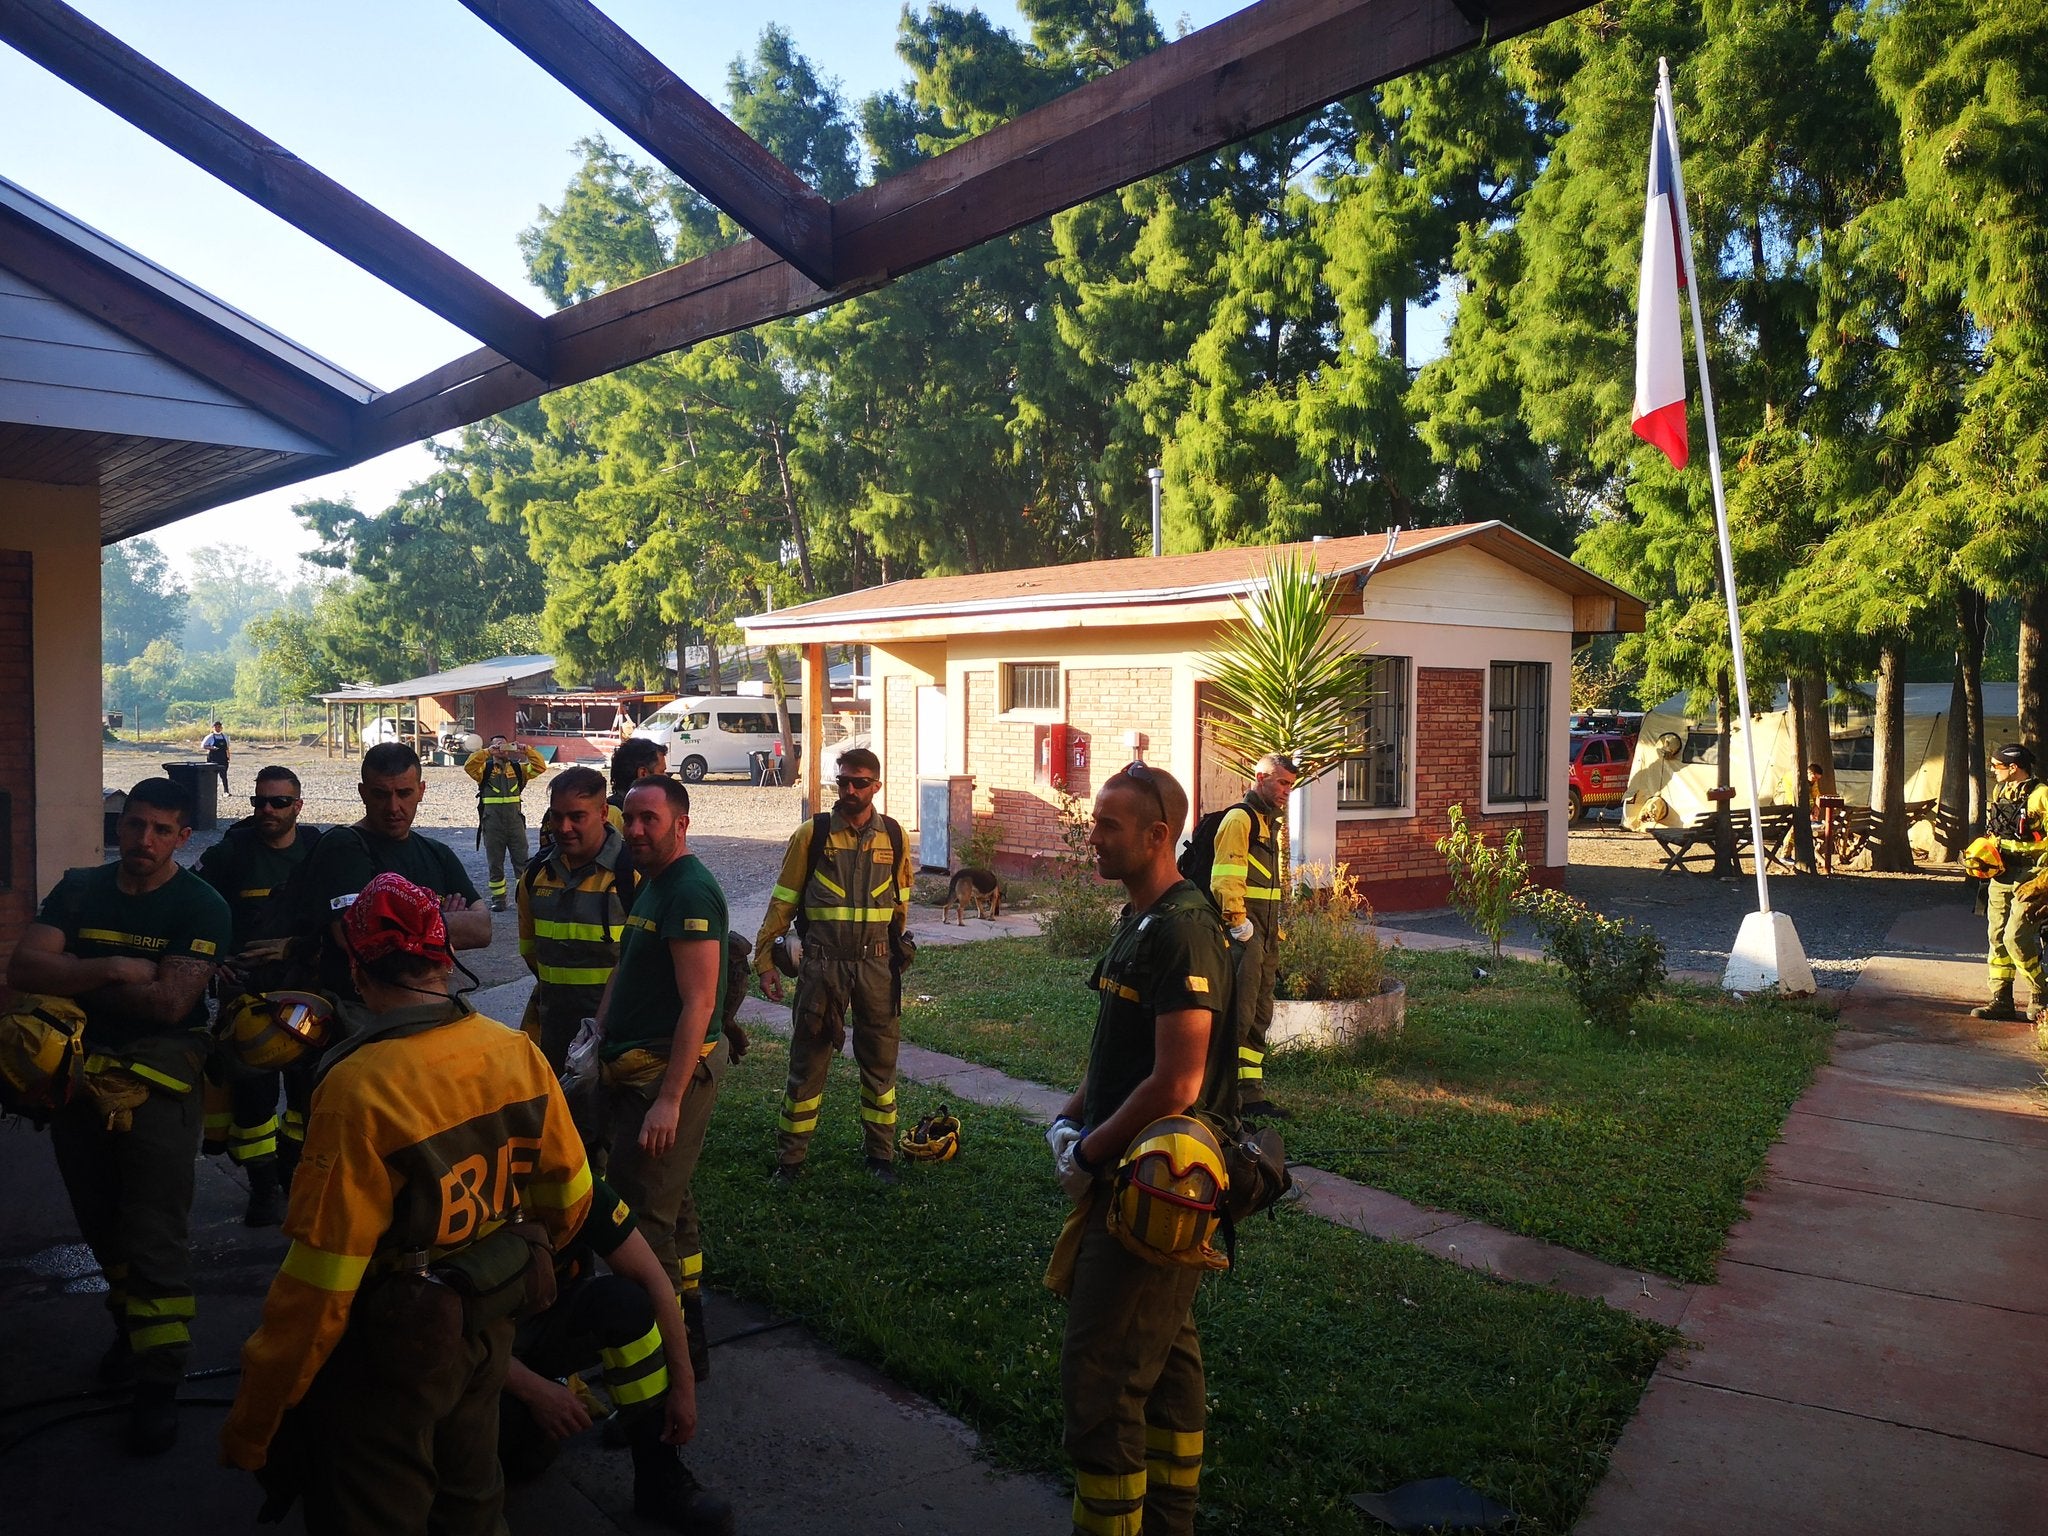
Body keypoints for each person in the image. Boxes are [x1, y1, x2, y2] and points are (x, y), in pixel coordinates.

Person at [220, 874, 594, 1534]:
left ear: (359, 968)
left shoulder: (355, 1088)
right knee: (473, 1503)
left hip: (388, 1361)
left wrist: (257, 1422)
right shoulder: (517, 1055)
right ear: (445, 959)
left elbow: (319, 1288)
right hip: (484, 1332)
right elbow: (569, 1203)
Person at [6, 776, 232, 1454]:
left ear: (182, 838)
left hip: (161, 1082)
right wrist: (111, 967)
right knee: (100, 1222)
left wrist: (72, 966)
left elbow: (170, 1006)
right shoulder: (80, 887)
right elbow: (23, 968)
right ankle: (131, 1330)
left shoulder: (202, 906)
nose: (144, 841)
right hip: (74, 1081)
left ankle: (158, 1381)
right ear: (120, 824)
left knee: (154, 1231)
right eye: (135, 825)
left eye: (162, 830)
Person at [1046, 763, 1235, 1536]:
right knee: (1166, 1363)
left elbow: (1176, 1082)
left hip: (1153, 1191)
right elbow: (1118, 1059)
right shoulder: (1143, 920)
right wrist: (1068, 1118)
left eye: (1107, 826)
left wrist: (1089, 1154)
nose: (1091, 837)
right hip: (1131, 1178)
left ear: (1159, 837)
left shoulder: (1185, 929)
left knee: (1100, 1381)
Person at [589, 775, 731, 1382]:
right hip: (631, 1064)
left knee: (638, 1219)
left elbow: (699, 1008)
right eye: (630, 819)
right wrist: (597, 1033)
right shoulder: (653, 884)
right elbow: (628, 967)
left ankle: (656, 1376)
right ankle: (689, 1330)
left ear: (681, 823)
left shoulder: (690, 892)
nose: (636, 830)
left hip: (666, 1075)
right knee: (674, 1203)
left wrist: (668, 1102)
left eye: (650, 819)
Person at [499, 1176, 733, 1533]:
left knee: (624, 1303)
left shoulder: (564, 1170)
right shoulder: (466, 1184)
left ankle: (660, 1479)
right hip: (474, 1364)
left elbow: (653, 1278)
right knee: (522, 1458)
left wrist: (684, 1389)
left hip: (533, 1337)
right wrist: (536, 1392)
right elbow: (450, 1342)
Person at [753, 747, 914, 1185]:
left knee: (880, 1064)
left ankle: (881, 1157)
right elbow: (783, 900)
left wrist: (899, 947)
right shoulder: (813, 834)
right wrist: (766, 958)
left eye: (859, 782)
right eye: (842, 781)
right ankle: (790, 1162)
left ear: (876, 786)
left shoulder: (894, 837)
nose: (848, 789)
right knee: (808, 1062)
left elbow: (900, 902)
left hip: (877, 969)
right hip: (822, 968)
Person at [195, 765, 322, 1226]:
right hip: (247, 998)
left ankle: (292, 1166)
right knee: (253, 1101)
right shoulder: (231, 853)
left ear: (298, 806)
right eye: (259, 802)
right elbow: (194, 904)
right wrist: (213, 958)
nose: (267, 810)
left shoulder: (317, 851)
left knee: (310, 1096)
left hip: (308, 997)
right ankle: (263, 1186)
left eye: (279, 802)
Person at [518, 765, 638, 1072]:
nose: (564, 827)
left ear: (602, 813)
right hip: (553, 1034)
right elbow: (530, 951)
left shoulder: (632, 876)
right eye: (557, 816)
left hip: (618, 1039)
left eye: (577, 816)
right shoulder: (534, 876)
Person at [1208, 753, 1297, 1120]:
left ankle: (1251, 1095)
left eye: (1291, 785)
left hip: (1265, 935)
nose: (1286, 792)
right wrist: (1237, 921)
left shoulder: (1268, 823)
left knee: (1260, 1015)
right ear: (1260, 777)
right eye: (1281, 783)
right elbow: (1225, 876)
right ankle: (1219, 1096)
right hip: (1245, 934)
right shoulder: (1240, 819)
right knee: (1239, 1017)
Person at [1973, 743, 2048, 1022]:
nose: (1993, 771)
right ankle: (2001, 1000)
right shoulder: (2000, 792)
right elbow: (1997, 832)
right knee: (1997, 938)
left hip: (2032, 878)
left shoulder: (2042, 796)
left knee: (2015, 936)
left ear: (2014, 767)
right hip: (2000, 876)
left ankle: (2041, 992)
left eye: (1997, 766)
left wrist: (2044, 881)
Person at [466, 734, 549, 911]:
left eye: (504, 746)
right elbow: (469, 766)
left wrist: (526, 750)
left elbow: (540, 766)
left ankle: (523, 899)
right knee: (495, 863)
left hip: (515, 823)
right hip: (492, 824)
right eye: (497, 745)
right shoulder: (485, 770)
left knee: (522, 862)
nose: (501, 749)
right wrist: (487, 752)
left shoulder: (519, 770)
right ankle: (499, 900)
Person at [610, 736, 670, 830]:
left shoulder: (609, 811)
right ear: (643, 774)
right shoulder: (615, 817)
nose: (666, 777)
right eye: (661, 771)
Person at [202, 720, 231, 792]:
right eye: (216, 727)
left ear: (221, 728)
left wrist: (228, 757)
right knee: (211, 775)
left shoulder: (225, 737)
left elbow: (227, 748)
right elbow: (203, 746)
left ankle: (226, 791)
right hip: (213, 758)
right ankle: (210, 790)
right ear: (213, 728)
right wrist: (212, 747)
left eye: (219, 727)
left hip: (223, 758)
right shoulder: (210, 737)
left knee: (224, 775)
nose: (217, 728)